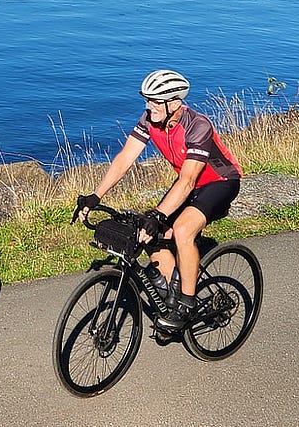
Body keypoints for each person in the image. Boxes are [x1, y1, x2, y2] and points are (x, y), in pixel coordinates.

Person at [75, 69, 242, 333]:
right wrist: (97, 194)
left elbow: (188, 180)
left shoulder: (198, 126)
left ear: (174, 103)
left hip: (219, 182)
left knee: (183, 229)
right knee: (147, 232)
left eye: (155, 101)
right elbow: (125, 158)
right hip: (188, 184)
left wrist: (159, 214)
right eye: (147, 100)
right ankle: (170, 292)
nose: (148, 106)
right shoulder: (150, 120)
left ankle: (186, 303)